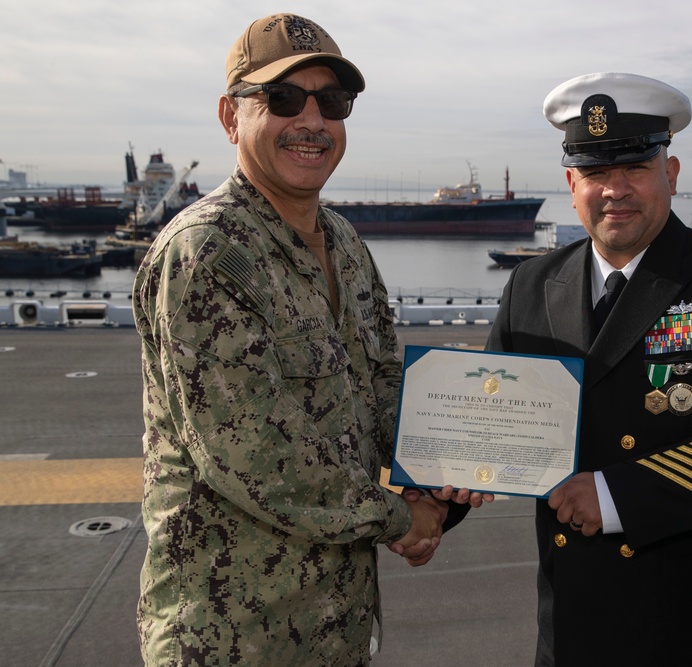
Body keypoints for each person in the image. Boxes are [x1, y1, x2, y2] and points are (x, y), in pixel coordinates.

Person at [132, 14, 469, 666]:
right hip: (230, 633)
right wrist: (408, 517)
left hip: (335, 622)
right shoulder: (206, 254)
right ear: (232, 118)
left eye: (332, 101)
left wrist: (451, 468)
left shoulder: (344, 243)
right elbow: (261, 462)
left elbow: (381, 386)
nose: (312, 119)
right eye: (282, 98)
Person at [486, 72, 692, 665]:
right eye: (594, 173)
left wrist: (615, 496)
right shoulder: (531, 285)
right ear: (570, 183)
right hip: (568, 624)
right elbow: (489, 421)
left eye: (634, 168)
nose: (615, 190)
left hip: (688, 625)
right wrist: (436, 504)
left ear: (672, 173)